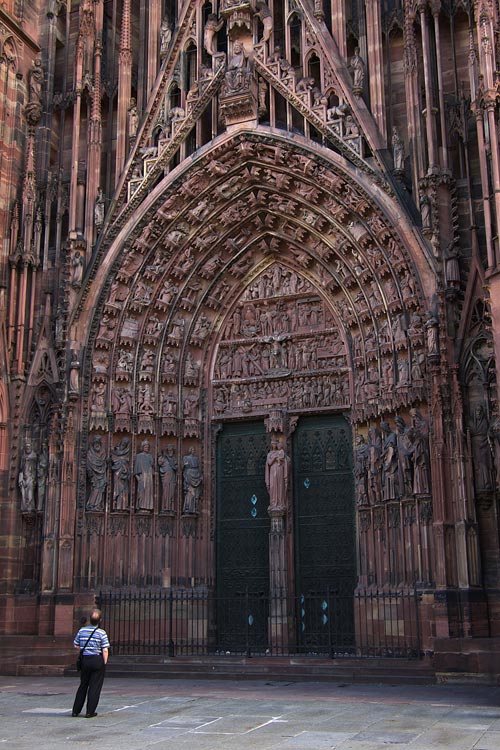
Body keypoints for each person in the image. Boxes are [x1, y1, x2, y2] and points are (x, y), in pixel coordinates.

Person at [72, 608, 110, 718]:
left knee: (83, 685)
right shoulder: (101, 633)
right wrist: (104, 663)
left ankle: (76, 711)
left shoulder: (82, 631)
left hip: (85, 659)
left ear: (90, 619)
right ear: (100, 620)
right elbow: (105, 649)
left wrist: (84, 648)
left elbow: (75, 645)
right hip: (97, 659)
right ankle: (90, 711)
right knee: (95, 686)